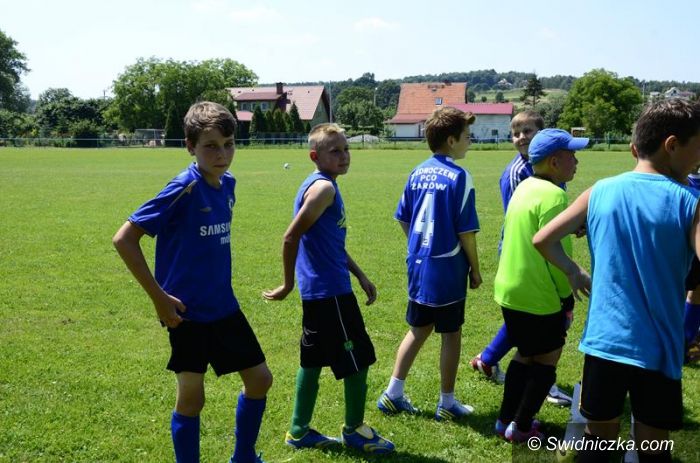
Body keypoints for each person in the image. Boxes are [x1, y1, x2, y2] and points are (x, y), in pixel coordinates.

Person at [533, 99, 700, 461]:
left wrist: (572, 270)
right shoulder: (690, 200)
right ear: (672, 145)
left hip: (604, 343)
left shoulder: (599, 191)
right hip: (657, 348)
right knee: (652, 444)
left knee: (598, 440)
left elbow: (543, 239)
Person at [112, 102, 272, 463]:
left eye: (228, 144)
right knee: (192, 398)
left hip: (224, 306)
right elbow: (124, 239)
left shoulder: (228, 184)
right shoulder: (183, 188)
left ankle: (243, 457)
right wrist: (159, 298)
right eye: (210, 146)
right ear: (190, 146)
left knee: (260, 379)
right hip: (186, 313)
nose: (222, 154)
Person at [263, 123, 394, 454]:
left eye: (346, 149)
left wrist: (360, 274)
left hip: (319, 292)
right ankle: (355, 431)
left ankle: (298, 431)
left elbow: (329, 242)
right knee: (358, 359)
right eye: (335, 151)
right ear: (315, 156)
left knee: (311, 361)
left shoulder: (320, 185)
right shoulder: (323, 189)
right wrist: (287, 284)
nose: (344, 156)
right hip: (331, 293)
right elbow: (290, 237)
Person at [376, 107, 481, 421]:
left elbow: (403, 218)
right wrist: (475, 269)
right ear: (451, 140)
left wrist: (418, 245)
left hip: (419, 265)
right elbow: (466, 232)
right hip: (447, 267)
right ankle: (447, 403)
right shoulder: (460, 176)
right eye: (467, 135)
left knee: (419, 328)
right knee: (451, 333)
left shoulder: (416, 172)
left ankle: (393, 393)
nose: (470, 140)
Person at [469, 111, 573, 407]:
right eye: (516, 133)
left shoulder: (549, 166)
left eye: (528, 131)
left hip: (542, 247)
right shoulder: (518, 172)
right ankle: (541, 379)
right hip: (524, 251)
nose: (521, 137)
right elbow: (523, 219)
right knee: (536, 320)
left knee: (527, 321)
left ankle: (488, 359)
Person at [493, 128, 587, 443]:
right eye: (572, 155)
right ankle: (521, 428)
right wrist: (566, 297)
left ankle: (504, 420)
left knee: (525, 354)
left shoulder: (525, 187)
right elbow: (555, 253)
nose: (577, 161)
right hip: (539, 294)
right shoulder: (555, 195)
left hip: (510, 290)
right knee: (547, 358)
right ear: (554, 162)